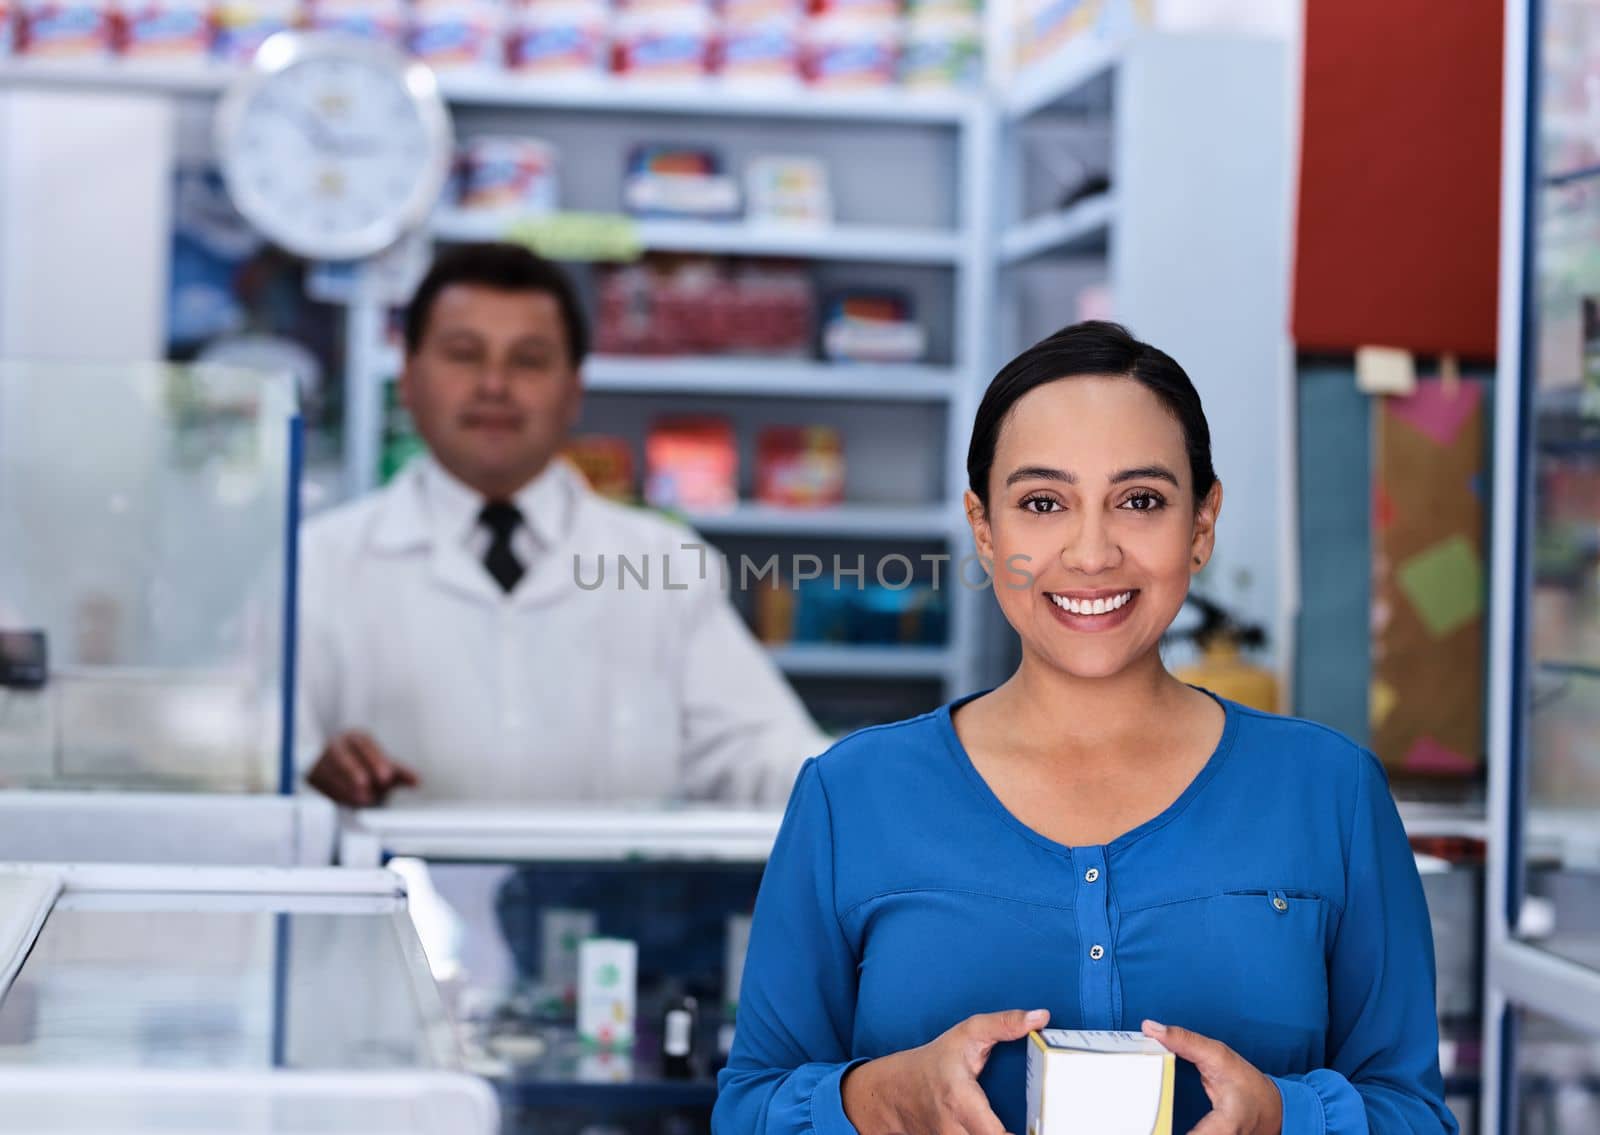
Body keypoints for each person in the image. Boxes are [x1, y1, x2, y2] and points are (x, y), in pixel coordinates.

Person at [714, 322, 1456, 1134]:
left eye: (1140, 501)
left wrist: (1288, 1114)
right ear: (985, 529)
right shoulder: (849, 795)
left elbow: (1413, 1112)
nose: (1093, 552)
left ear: (1202, 523)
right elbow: (748, 1106)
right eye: (1042, 502)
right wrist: (876, 1098)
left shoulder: (1331, 792)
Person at [297, 242, 828, 807]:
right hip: (398, 894)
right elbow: (263, 762)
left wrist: (878, 786)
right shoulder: (317, 563)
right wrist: (313, 771)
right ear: (407, 378)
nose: (494, 385)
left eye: (528, 360)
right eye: (463, 354)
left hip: (610, 897)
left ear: (574, 390)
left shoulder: (662, 562)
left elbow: (760, 751)